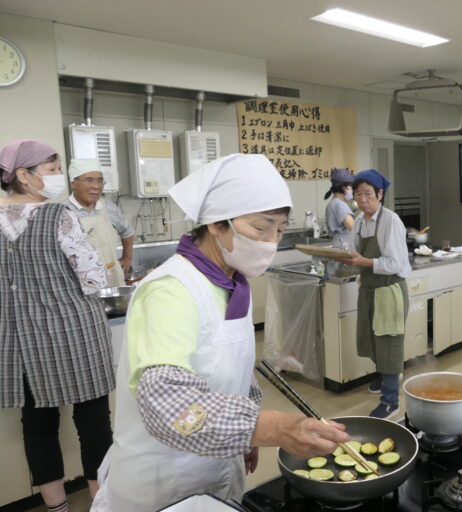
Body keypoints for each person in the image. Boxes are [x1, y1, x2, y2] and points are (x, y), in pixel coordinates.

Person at [91, 154, 349, 512]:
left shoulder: (231, 281)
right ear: (216, 223)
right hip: (163, 480)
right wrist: (271, 427)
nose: (271, 241)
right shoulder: (170, 290)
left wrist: (247, 434)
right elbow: (168, 401)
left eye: (279, 228)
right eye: (261, 228)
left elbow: (234, 368)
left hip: (215, 467)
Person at [0, 140, 114, 512]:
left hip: (20, 339)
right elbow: (93, 277)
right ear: (23, 175)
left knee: (37, 424)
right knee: (93, 420)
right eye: (51, 170)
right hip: (75, 331)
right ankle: (103, 503)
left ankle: (57, 507)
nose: (57, 177)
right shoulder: (59, 216)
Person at [338, 169, 410, 419]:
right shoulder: (359, 220)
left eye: (368, 194)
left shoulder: (390, 221)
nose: (363, 199)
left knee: (388, 343)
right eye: (358, 194)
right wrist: (347, 259)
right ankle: (385, 378)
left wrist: (364, 261)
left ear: (380, 194)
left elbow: (394, 263)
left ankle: (390, 401)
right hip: (368, 289)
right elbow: (355, 252)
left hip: (389, 289)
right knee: (370, 337)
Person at [65, 158, 134, 287]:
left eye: (100, 181)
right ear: (73, 183)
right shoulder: (64, 213)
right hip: (82, 284)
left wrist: (127, 257)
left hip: (113, 279)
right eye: (89, 180)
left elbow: (127, 231)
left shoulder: (109, 208)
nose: (96, 186)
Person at [324, 167, 355, 250]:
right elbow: (353, 227)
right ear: (344, 187)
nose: (352, 189)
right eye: (351, 186)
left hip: (338, 244)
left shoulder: (333, 203)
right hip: (344, 246)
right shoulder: (339, 205)